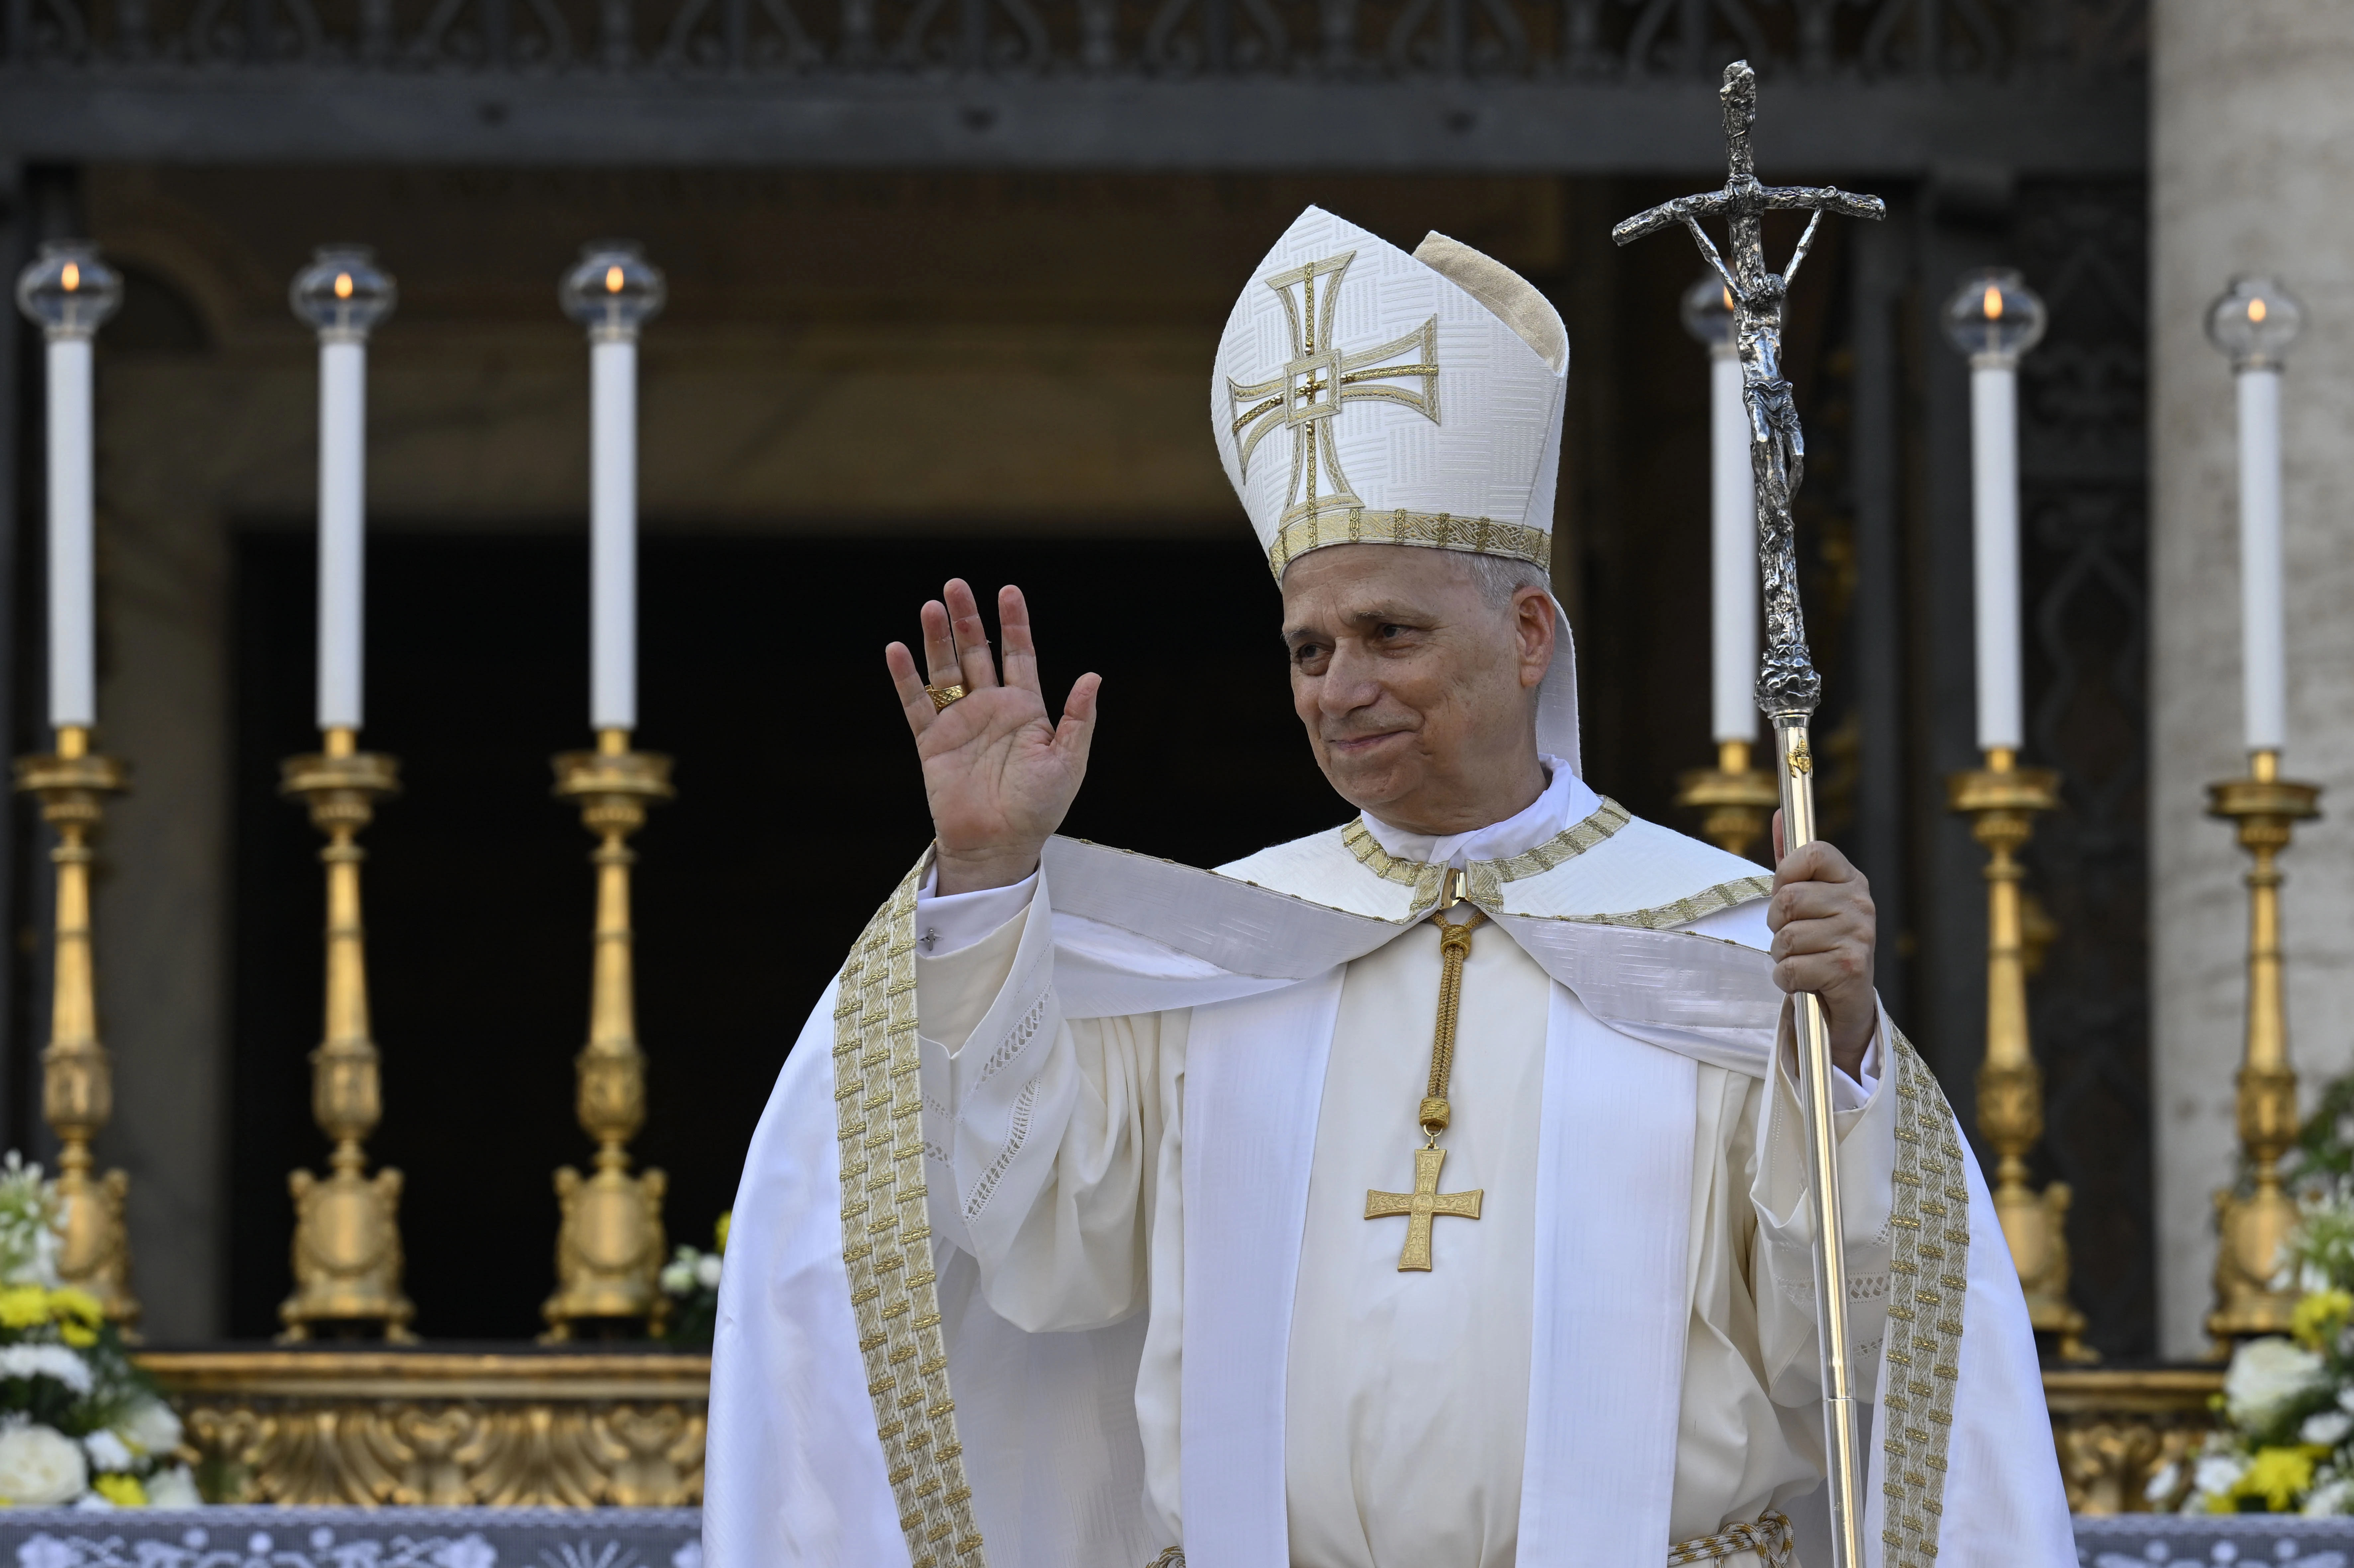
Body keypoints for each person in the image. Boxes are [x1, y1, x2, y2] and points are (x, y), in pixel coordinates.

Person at [705, 206, 2072, 1568]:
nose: (1339, 687)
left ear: (1527, 631)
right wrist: (995, 882)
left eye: (1388, 633)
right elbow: (1048, 1243)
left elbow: (1835, 1328)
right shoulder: (1228, 942)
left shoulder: (1720, 937)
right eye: (1307, 648)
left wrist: (1833, 1052)